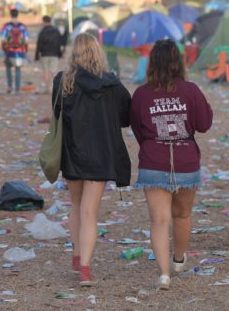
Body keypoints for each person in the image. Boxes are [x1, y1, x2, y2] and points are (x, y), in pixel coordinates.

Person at [130, 39, 213, 290]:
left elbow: (138, 129)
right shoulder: (191, 90)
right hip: (186, 159)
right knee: (183, 214)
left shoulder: (141, 94)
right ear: (177, 63)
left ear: (151, 63)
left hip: (153, 160)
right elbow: (204, 124)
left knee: (159, 220)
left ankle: (164, 274)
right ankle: (178, 260)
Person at [52, 33, 131, 287]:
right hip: (101, 155)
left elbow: (56, 114)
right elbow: (126, 115)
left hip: (72, 152)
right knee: (90, 212)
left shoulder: (61, 81)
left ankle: (77, 256)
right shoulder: (111, 84)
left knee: (76, 206)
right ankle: (85, 268)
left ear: (73, 54)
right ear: (98, 53)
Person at [0, 9, 28, 94]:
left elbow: (3, 38)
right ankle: (17, 88)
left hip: (9, 50)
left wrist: (4, 48)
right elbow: (26, 39)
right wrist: (25, 49)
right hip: (19, 51)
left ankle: (9, 87)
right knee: (18, 69)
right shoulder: (22, 26)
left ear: (10, 15)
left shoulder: (7, 26)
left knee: (8, 68)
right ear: (18, 15)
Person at [35, 15, 62, 93]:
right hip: (54, 54)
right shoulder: (56, 30)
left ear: (44, 21)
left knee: (46, 71)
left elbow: (39, 44)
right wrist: (59, 53)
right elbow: (59, 43)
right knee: (53, 71)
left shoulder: (42, 31)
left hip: (44, 54)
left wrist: (37, 55)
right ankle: (54, 87)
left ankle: (47, 88)